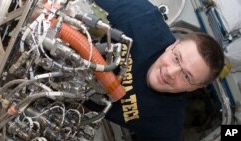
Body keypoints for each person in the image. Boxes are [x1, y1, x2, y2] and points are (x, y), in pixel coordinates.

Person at [91, 0, 225, 140]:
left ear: (195, 87)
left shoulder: (166, 125)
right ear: (173, 45)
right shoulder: (144, 17)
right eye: (176, 58)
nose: (170, 73)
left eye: (186, 76)